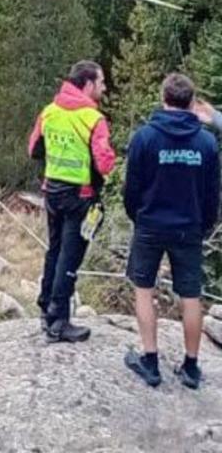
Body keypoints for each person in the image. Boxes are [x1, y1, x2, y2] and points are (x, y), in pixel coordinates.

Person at [123, 72, 220, 390]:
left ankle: (150, 361)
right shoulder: (206, 142)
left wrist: (137, 217)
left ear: (163, 98)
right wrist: (204, 225)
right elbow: (212, 193)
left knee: (144, 290)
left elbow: (131, 188)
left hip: (150, 224)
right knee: (191, 295)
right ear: (192, 102)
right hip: (189, 226)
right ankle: (191, 367)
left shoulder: (144, 138)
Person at [28, 60, 116, 342]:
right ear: (88, 84)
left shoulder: (50, 111)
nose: (104, 87)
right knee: (70, 256)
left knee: (54, 250)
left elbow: (33, 149)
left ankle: (46, 306)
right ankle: (59, 320)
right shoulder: (93, 119)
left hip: (52, 191)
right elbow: (104, 164)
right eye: (101, 82)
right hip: (81, 195)